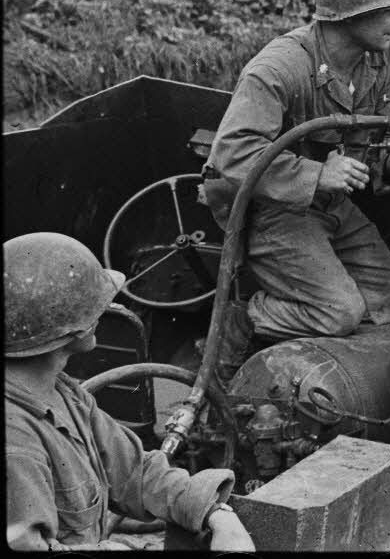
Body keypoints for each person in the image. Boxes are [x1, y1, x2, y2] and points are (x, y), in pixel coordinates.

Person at [201, 0, 390, 384]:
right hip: (269, 210)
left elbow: (386, 140)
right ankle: (245, 319)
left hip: (329, 206)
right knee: (340, 312)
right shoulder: (280, 66)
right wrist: (317, 173)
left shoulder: (385, 61)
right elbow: (230, 153)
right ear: (348, 14)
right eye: (388, 11)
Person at [5, 232, 256, 551]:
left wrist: (216, 512)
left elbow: (135, 472)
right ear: (71, 329)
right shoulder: (17, 443)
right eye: (95, 305)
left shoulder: (63, 393)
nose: (106, 308)